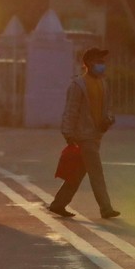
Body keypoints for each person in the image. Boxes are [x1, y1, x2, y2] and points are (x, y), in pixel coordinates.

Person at [48, 47, 120, 220]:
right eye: (98, 61)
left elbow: (107, 108)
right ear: (88, 63)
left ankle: (58, 204)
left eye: (103, 61)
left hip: (96, 136)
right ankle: (106, 208)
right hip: (84, 137)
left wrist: (109, 119)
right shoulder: (78, 85)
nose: (102, 64)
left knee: (77, 174)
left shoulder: (103, 83)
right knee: (97, 173)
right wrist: (68, 133)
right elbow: (71, 110)